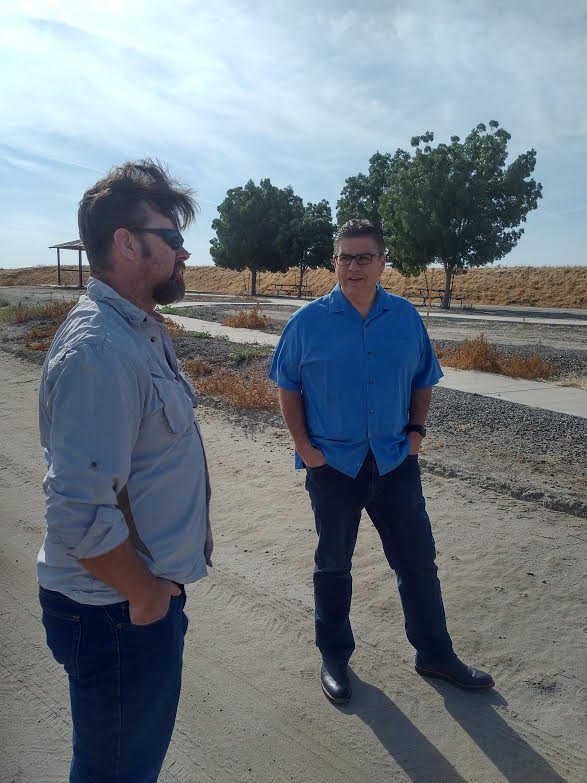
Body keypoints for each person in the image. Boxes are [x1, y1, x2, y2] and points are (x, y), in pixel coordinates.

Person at [37, 159, 213, 781]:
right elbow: (77, 512)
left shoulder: (137, 332)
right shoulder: (100, 350)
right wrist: (146, 597)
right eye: (171, 238)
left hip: (126, 602)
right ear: (126, 242)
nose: (184, 250)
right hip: (115, 610)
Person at [269, 218, 494, 704]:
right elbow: (288, 386)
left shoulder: (406, 317)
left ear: (382, 261)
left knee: (417, 563)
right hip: (333, 467)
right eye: (345, 257)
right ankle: (334, 658)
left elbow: (423, 377)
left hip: (394, 462)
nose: (353, 266)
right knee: (333, 564)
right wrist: (307, 452)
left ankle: (434, 653)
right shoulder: (306, 322)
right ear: (334, 262)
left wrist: (415, 433)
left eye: (363, 257)